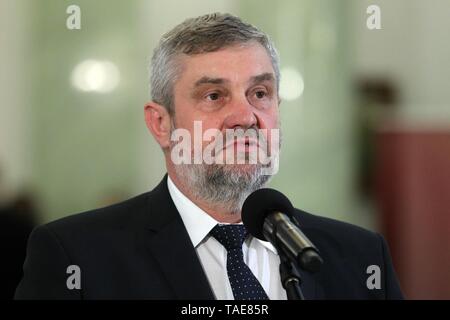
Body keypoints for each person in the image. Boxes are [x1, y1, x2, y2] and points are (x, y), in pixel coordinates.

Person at [15, 13, 403, 300]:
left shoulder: (359, 257)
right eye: (214, 96)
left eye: (260, 94)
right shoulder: (76, 255)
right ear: (161, 123)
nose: (245, 117)